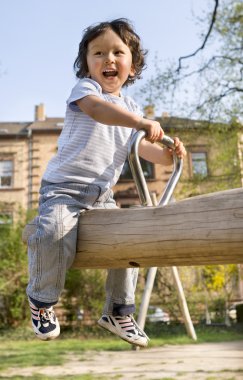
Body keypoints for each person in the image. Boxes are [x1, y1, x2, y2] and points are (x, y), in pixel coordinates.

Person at [26, 18, 186, 347]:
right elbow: (98, 112)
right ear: (86, 63)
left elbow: (140, 148)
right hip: (63, 190)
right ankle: (42, 301)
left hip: (101, 197)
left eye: (117, 52)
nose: (108, 59)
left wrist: (168, 156)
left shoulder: (130, 108)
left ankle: (117, 310)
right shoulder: (87, 91)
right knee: (52, 231)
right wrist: (141, 122)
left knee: (130, 236)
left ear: (132, 64)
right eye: (98, 53)